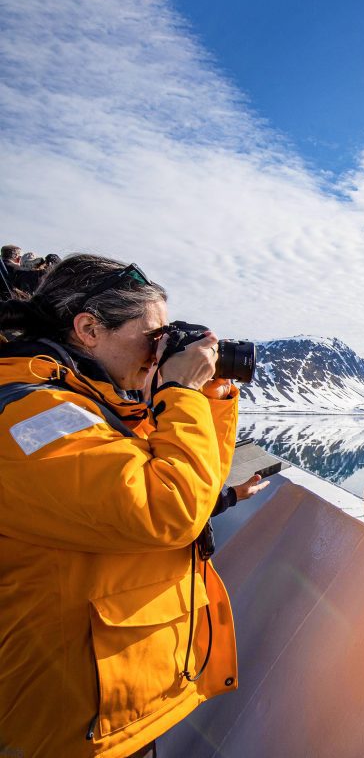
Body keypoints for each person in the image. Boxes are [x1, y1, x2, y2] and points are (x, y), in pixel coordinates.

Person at [0, 254, 266, 757]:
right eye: (153, 336)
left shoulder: (87, 403)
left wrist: (203, 390)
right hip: (65, 726)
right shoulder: (29, 416)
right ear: (88, 328)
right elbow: (169, 509)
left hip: (115, 705)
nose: (160, 350)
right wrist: (179, 388)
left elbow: (196, 482)